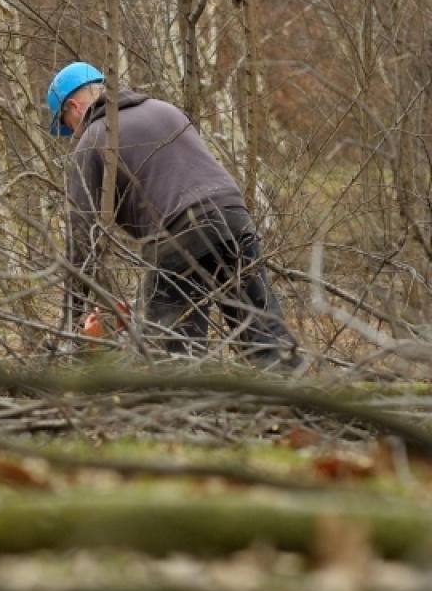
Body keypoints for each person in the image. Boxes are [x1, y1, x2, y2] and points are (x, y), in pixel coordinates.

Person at [46, 61, 302, 369]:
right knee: (264, 332)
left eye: (68, 123)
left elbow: (81, 236)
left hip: (177, 232)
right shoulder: (164, 109)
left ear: (74, 106)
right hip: (233, 214)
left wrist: (70, 319)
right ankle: (297, 404)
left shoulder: (93, 138)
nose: (73, 132)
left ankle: (188, 412)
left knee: (174, 352)